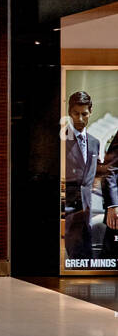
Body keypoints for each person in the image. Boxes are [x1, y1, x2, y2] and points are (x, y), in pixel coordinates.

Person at [63, 91, 105, 260]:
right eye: (76, 114)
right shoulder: (61, 139)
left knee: (87, 257)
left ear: (91, 112)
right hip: (68, 210)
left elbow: (95, 173)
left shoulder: (95, 142)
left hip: (88, 209)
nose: (80, 119)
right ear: (69, 112)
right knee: (73, 257)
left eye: (84, 114)